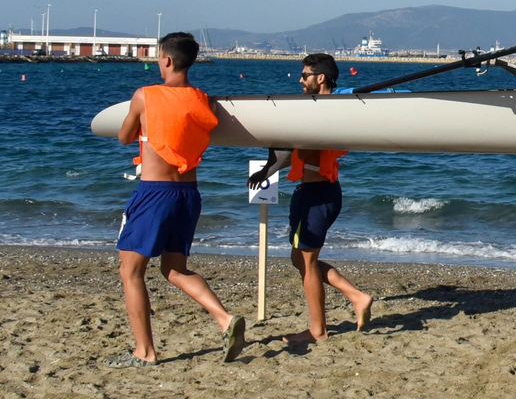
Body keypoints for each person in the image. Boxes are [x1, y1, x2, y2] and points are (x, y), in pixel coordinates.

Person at [111, 32, 244, 366]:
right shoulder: (203, 100)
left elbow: (124, 137)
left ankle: (145, 352)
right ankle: (225, 318)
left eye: (159, 58)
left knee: (131, 272)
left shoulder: (145, 96)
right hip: (188, 194)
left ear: (166, 60)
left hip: (154, 193)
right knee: (174, 268)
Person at [248, 53, 372, 343]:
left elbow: (297, 150)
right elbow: (295, 152)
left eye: (305, 75)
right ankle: (357, 296)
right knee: (300, 259)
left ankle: (318, 330)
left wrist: (269, 165)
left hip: (317, 196)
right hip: (315, 193)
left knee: (307, 262)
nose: (300, 80)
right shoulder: (318, 111)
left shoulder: (324, 113)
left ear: (321, 78)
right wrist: (267, 170)